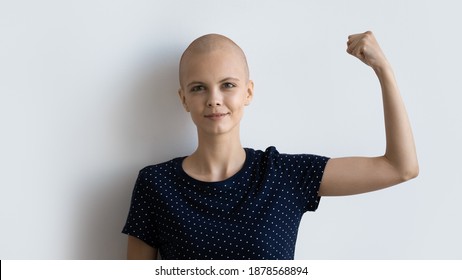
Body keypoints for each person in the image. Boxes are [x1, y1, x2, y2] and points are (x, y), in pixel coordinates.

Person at [122, 31, 419, 260]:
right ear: (184, 98)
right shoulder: (156, 185)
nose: (214, 99)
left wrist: (384, 71)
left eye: (228, 85)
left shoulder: (285, 175)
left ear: (248, 92)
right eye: (199, 88)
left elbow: (400, 167)